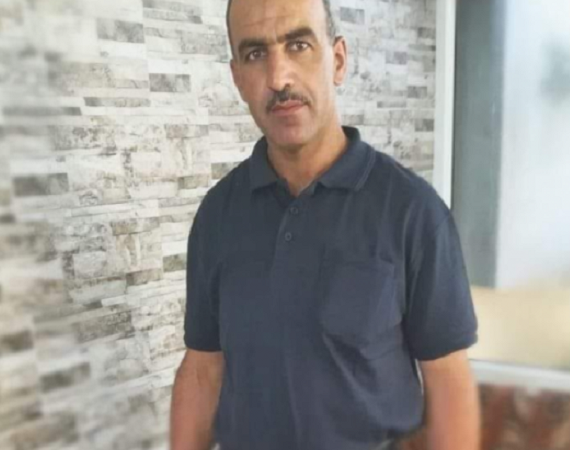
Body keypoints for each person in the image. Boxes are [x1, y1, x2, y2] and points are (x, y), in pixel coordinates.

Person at [169, 0, 481, 449]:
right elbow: (202, 369)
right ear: (237, 77)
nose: (279, 78)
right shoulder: (218, 214)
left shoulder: (413, 212)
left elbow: (448, 381)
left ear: (337, 60)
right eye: (255, 54)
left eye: (298, 45)